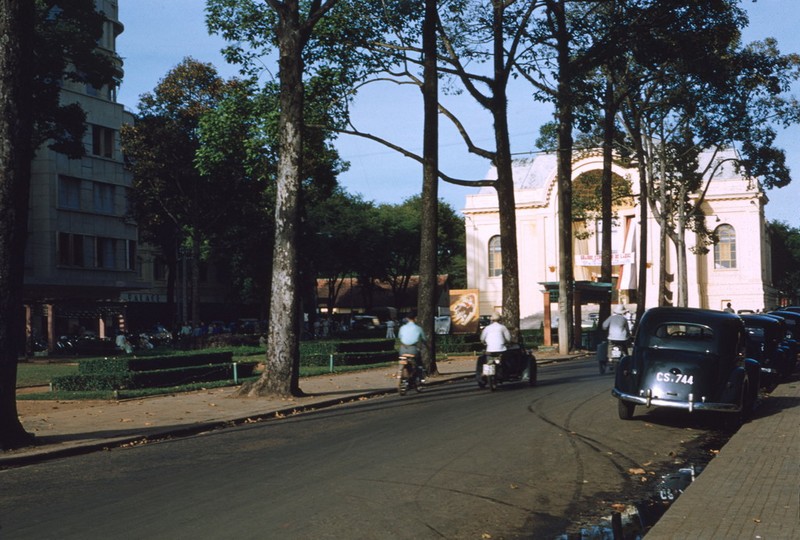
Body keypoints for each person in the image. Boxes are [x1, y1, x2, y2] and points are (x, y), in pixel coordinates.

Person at [398, 312, 426, 381]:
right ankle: (420, 377)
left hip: (402, 349)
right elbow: (424, 339)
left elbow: (399, 337)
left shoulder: (402, 328)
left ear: (407, 319)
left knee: (403, 359)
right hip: (413, 349)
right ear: (415, 318)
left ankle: (401, 373)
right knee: (419, 362)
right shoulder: (418, 328)